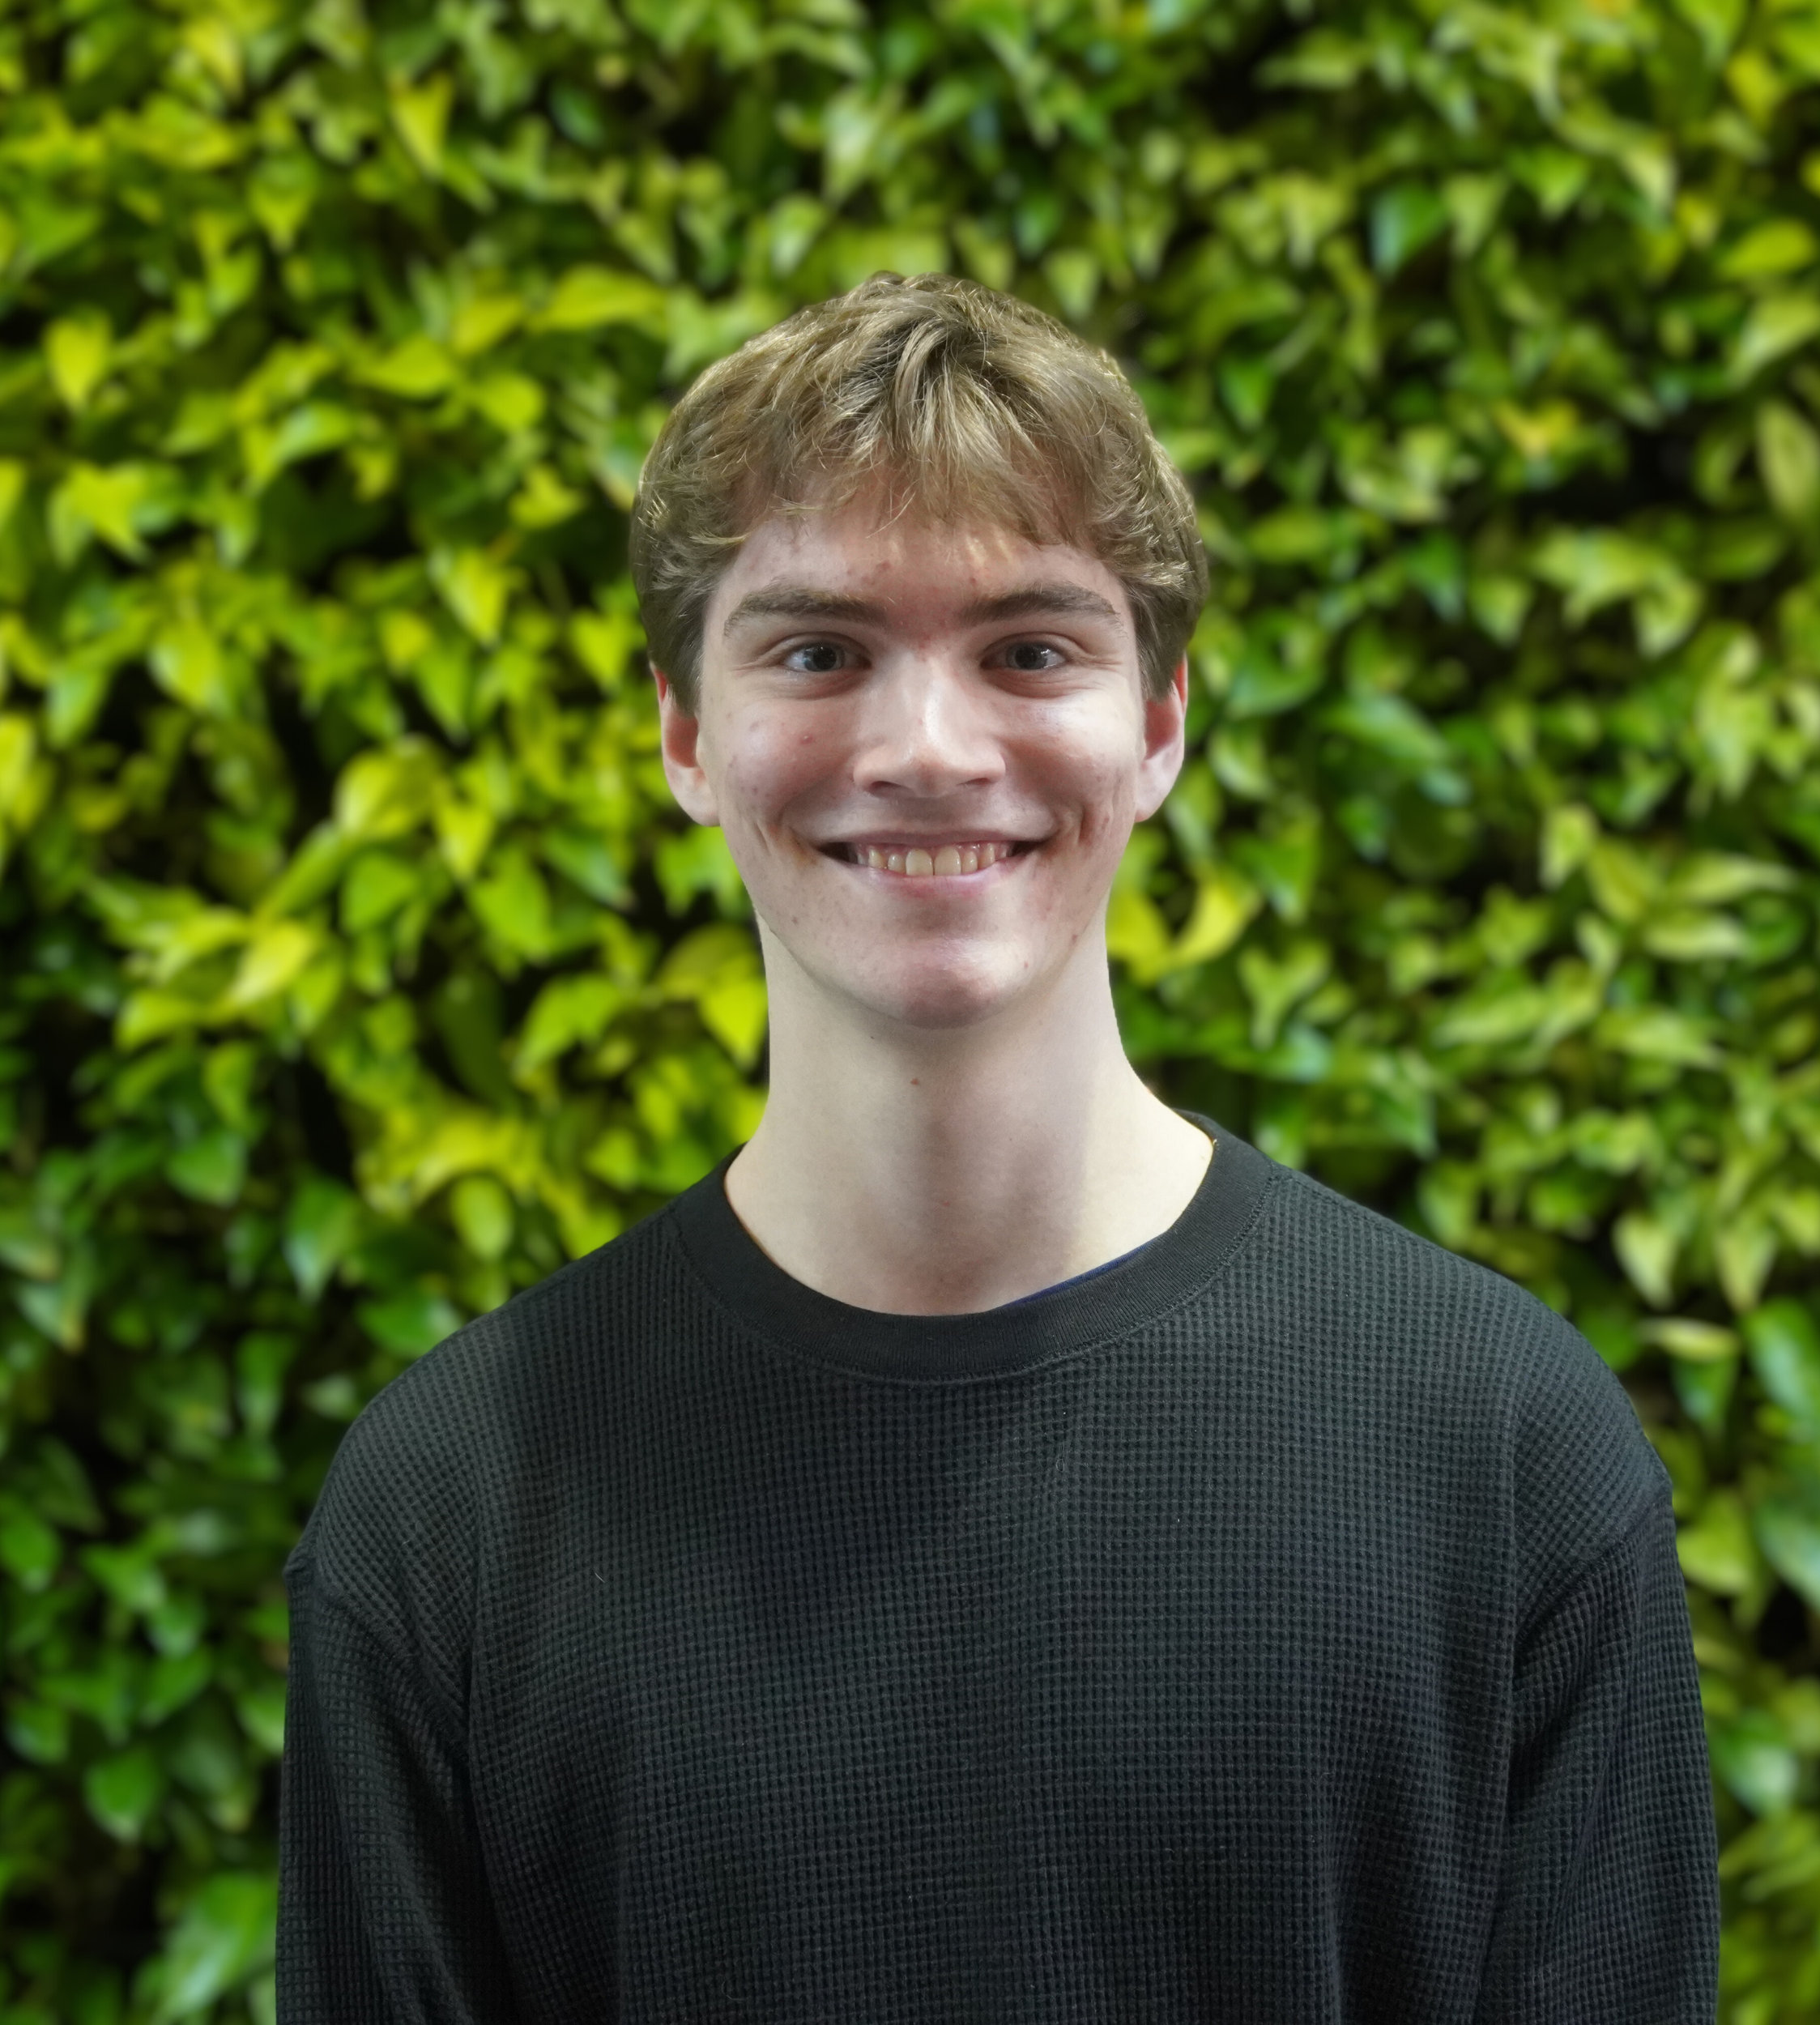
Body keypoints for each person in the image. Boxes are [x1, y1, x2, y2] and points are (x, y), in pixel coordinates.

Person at [277, 272, 1720, 2023]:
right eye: (817, 649)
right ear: (681, 730)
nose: (929, 747)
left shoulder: (1498, 1455)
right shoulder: (455, 1512)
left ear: (1160, 720)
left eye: (1028, 647)